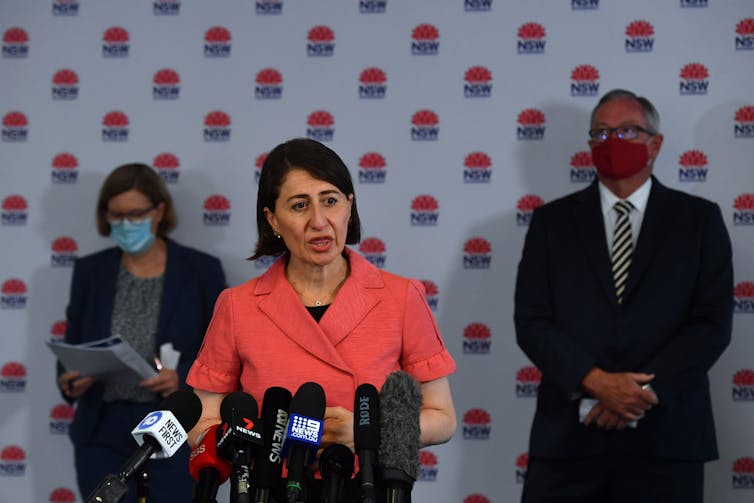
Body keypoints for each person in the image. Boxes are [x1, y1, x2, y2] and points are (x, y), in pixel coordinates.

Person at [187, 138, 457, 500]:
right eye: (299, 206)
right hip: (269, 488)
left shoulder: (401, 296)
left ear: (349, 206)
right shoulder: (237, 306)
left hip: (368, 487)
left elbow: (442, 417)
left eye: (330, 200)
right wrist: (263, 438)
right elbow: (202, 421)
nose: (318, 221)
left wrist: (368, 432)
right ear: (272, 220)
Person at [514, 89, 733, 502]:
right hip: (568, 443)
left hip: (668, 441)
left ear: (656, 143)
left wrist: (639, 394)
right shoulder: (551, 222)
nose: (613, 141)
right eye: (601, 132)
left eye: (628, 130)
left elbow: (712, 324)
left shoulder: (699, 221)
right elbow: (532, 321)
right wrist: (596, 382)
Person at [56, 163, 226, 503]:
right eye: (116, 216)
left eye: (135, 214)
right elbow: (73, 342)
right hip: (102, 428)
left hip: (174, 425)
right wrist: (69, 378)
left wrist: (183, 380)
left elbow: (223, 352)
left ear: (159, 210)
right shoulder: (90, 271)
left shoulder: (201, 270)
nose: (124, 224)